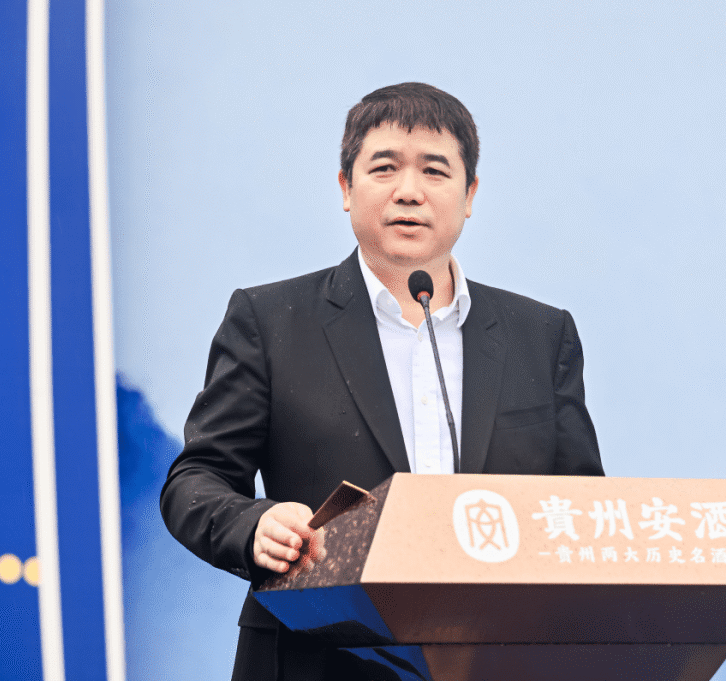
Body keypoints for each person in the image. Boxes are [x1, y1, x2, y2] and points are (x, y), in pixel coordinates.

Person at [160, 82, 603, 680]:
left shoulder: (540, 335)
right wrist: (254, 524)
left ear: (470, 195)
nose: (409, 191)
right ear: (346, 188)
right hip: (317, 658)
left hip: (495, 659)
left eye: (435, 171)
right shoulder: (270, 321)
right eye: (385, 167)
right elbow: (196, 479)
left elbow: (579, 506)